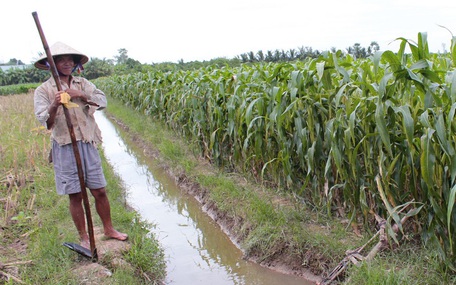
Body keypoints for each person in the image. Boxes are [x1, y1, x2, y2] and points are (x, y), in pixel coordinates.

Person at [34, 42, 127, 248]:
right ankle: (84, 237)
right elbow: (46, 123)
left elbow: (102, 102)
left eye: (70, 60)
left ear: (75, 63)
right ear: (52, 63)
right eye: (61, 60)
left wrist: (81, 95)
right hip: (65, 145)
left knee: (99, 190)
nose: (67, 63)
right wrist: (55, 104)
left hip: (86, 142)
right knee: (75, 194)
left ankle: (109, 229)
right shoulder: (44, 91)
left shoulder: (83, 83)